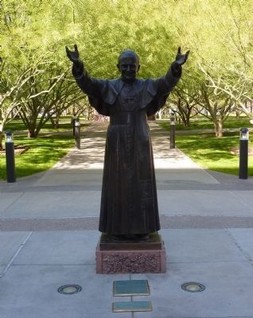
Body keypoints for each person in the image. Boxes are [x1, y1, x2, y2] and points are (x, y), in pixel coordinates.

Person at [66, 45, 189, 240]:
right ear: (118, 67)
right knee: (116, 185)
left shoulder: (146, 85)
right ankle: (115, 229)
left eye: (132, 66)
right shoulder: (109, 86)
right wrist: (78, 66)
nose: (129, 70)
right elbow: (89, 85)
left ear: (138, 67)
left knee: (142, 184)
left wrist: (175, 67)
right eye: (125, 66)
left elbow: (165, 84)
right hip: (116, 141)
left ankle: (143, 228)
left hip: (140, 137)